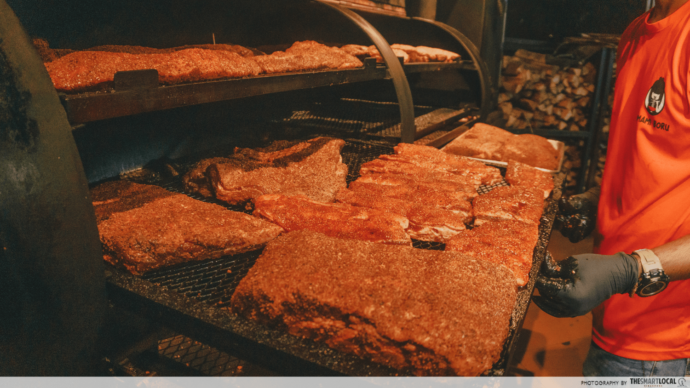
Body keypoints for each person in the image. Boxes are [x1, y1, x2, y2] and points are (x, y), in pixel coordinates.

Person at [533, 0, 690, 377]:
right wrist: (597, 199)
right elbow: (648, 158)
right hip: (612, 319)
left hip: (660, 341)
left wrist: (629, 270)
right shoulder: (636, 33)